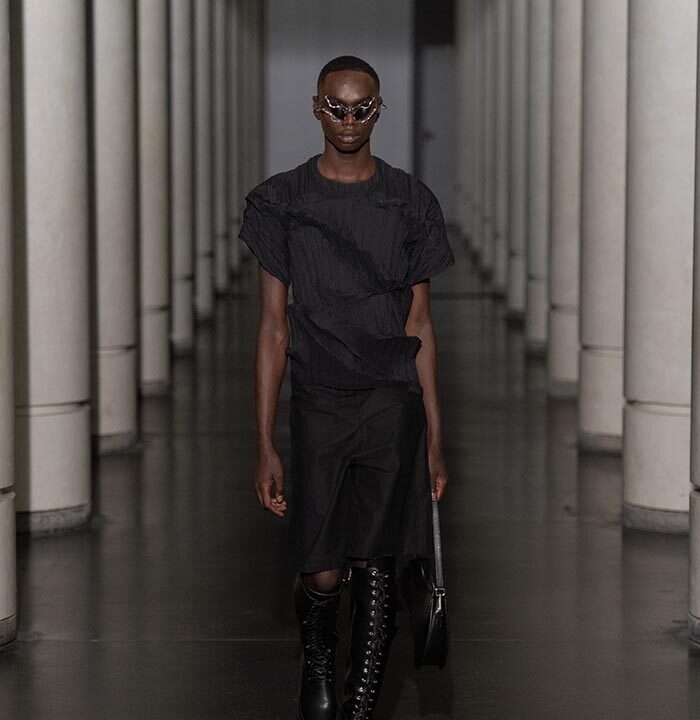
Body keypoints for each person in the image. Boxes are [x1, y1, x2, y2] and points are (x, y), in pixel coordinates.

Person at [238, 55, 454, 720]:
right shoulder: (282, 202)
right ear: (317, 107)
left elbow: (419, 323)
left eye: (362, 108)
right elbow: (273, 326)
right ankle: (319, 655)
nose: (350, 120)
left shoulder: (410, 202)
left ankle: (359, 707)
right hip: (320, 398)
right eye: (338, 107)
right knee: (323, 570)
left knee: (376, 563)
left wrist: (436, 438)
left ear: (379, 110)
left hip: (392, 397)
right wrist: (265, 444)